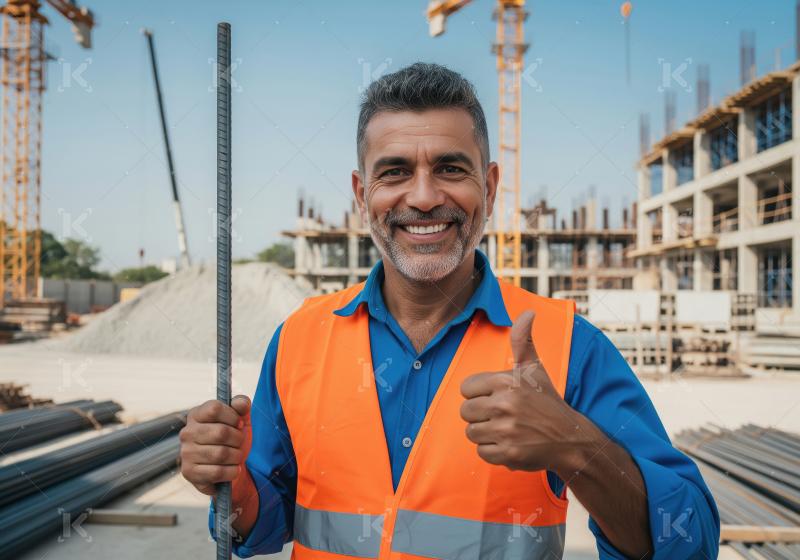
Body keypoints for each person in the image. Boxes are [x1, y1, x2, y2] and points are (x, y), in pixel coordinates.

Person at [180, 62, 720, 559]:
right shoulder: (301, 337)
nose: (421, 197)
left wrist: (575, 445)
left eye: (449, 169)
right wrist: (234, 486)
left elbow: (689, 540)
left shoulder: (568, 344)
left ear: (488, 185)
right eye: (393, 172)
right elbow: (266, 519)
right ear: (360, 192)